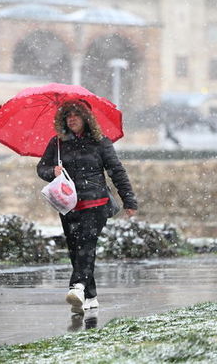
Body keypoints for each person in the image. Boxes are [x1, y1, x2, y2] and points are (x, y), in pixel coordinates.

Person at [37, 100, 138, 315]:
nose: (72, 118)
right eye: (68, 115)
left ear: (86, 118)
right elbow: (41, 168)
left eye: (76, 114)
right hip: (68, 205)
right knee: (75, 249)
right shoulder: (57, 144)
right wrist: (52, 171)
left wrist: (129, 200)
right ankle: (90, 295)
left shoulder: (101, 142)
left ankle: (77, 287)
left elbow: (116, 171)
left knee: (86, 244)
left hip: (96, 203)